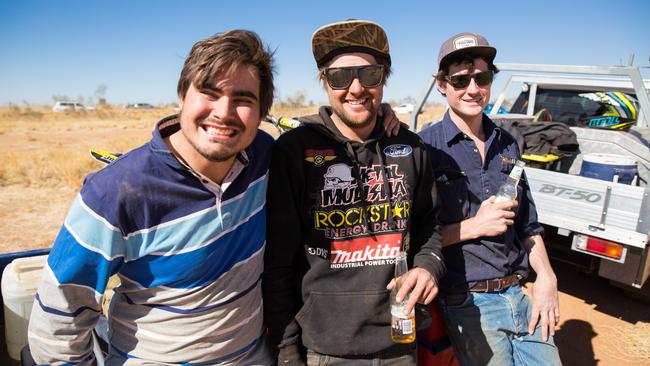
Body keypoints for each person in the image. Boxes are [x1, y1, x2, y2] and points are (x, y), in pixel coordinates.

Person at [28, 29, 277, 365]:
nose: (224, 112)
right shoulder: (114, 193)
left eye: (243, 100)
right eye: (209, 93)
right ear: (181, 96)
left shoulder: (264, 157)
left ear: (261, 112)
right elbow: (58, 319)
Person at [262, 19, 445, 366]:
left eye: (370, 75)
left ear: (385, 78)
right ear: (325, 83)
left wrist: (427, 267)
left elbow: (429, 228)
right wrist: (286, 353)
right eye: (341, 77)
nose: (356, 88)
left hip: (400, 343)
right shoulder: (294, 151)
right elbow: (278, 265)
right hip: (325, 350)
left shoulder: (412, 149)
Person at [418, 32, 562, 365]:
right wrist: (474, 226)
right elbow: (413, 239)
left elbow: (528, 226)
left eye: (481, 78)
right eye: (460, 80)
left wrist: (548, 278)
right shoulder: (424, 148)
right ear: (441, 85)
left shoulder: (508, 144)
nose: (472, 89)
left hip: (520, 293)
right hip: (469, 300)